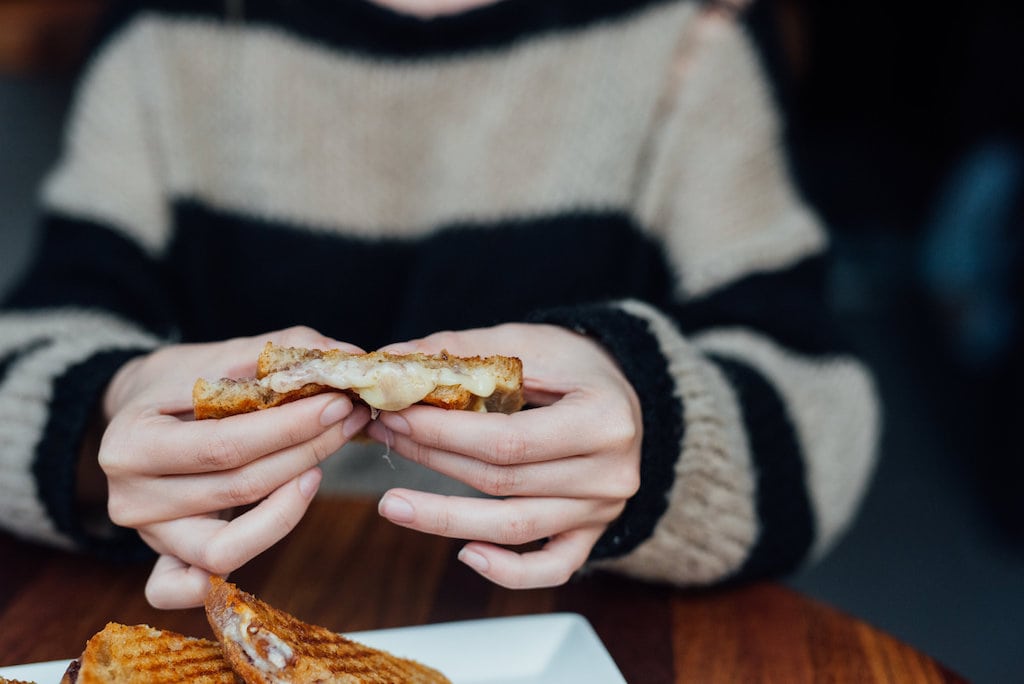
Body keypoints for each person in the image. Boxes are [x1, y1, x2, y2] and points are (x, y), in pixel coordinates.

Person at [0, 0, 880, 609]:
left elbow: (817, 412)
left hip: (581, 617)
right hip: (224, 595)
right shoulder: (168, 33)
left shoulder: (695, 36)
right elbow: (33, 350)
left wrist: (656, 422)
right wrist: (103, 415)